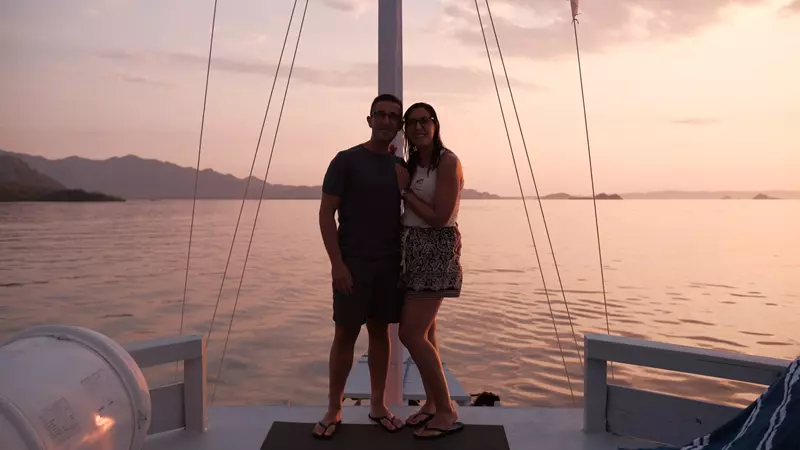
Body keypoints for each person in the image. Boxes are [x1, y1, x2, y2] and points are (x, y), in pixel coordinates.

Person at [312, 94, 408, 439]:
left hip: (388, 265)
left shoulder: (401, 167)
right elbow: (326, 216)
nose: (386, 121)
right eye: (379, 115)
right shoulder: (346, 161)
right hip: (352, 263)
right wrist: (337, 264)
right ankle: (334, 407)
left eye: (392, 116)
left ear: (399, 125)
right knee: (345, 334)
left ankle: (378, 405)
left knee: (381, 333)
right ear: (369, 120)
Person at [395, 102, 465, 439]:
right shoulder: (411, 164)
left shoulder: (448, 162)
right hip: (411, 250)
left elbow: (439, 217)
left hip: (436, 251)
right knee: (428, 333)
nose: (419, 127)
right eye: (412, 122)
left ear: (436, 125)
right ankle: (433, 403)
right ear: (406, 129)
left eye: (426, 121)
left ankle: (448, 411)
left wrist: (405, 191)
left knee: (410, 334)